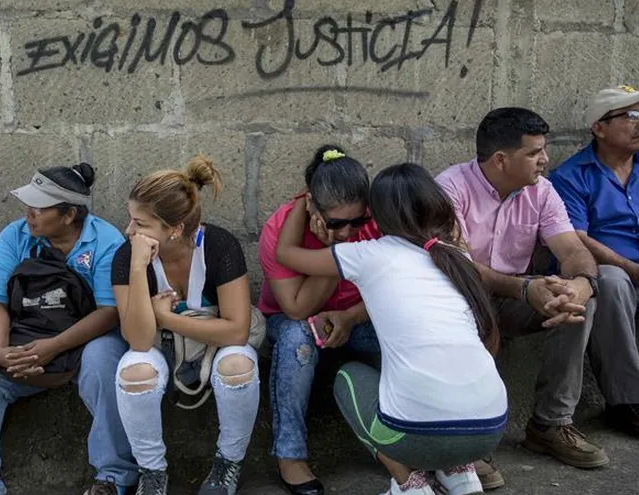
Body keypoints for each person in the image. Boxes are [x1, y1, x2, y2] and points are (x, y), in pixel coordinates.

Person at [275, 163, 507, 495]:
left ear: (378, 216)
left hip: (417, 434)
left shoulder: (369, 255)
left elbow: (286, 254)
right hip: (491, 429)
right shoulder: (457, 258)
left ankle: (410, 483)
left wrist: (303, 203)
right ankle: (460, 473)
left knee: (348, 379)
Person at [435, 107, 610, 473]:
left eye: (543, 149)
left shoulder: (541, 191)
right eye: (534, 152)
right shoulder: (450, 188)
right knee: (465, 309)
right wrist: (525, 289)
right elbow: (458, 266)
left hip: (515, 297)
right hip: (460, 298)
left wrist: (580, 286)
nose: (545, 159)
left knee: (578, 306)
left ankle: (550, 425)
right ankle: (466, 441)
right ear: (501, 160)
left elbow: (572, 249)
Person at [0, 163, 138, 495]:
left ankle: (114, 477)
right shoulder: (16, 235)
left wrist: (55, 346)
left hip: (87, 337)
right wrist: (0, 351)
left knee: (102, 362)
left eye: (39, 207)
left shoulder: (105, 240)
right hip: (28, 331)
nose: (29, 214)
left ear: (68, 215)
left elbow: (109, 312)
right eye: (28, 205)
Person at [549, 85, 639, 445]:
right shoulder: (571, 176)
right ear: (599, 127)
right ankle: (629, 405)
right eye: (630, 115)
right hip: (616, 276)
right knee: (610, 281)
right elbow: (577, 240)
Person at [111, 155, 259, 495]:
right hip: (159, 348)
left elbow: (236, 330)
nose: (129, 231)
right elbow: (138, 340)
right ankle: (152, 473)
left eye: (140, 224)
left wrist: (166, 317)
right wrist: (138, 268)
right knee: (133, 371)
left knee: (238, 365)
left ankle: (227, 463)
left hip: (214, 349)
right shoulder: (127, 256)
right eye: (130, 220)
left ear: (175, 230)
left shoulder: (219, 247)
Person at [258, 146, 381, 495]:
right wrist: (332, 257)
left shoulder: (377, 222)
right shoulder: (280, 228)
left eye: (356, 221)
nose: (346, 232)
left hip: (360, 316)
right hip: (294, 319)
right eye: (336, 223)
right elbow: (295, 308)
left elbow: (395, 288)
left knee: (407, 325)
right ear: (311, 204)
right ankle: (290, 455)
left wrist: (350, 317)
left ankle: (423, 438)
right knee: (297, 337)